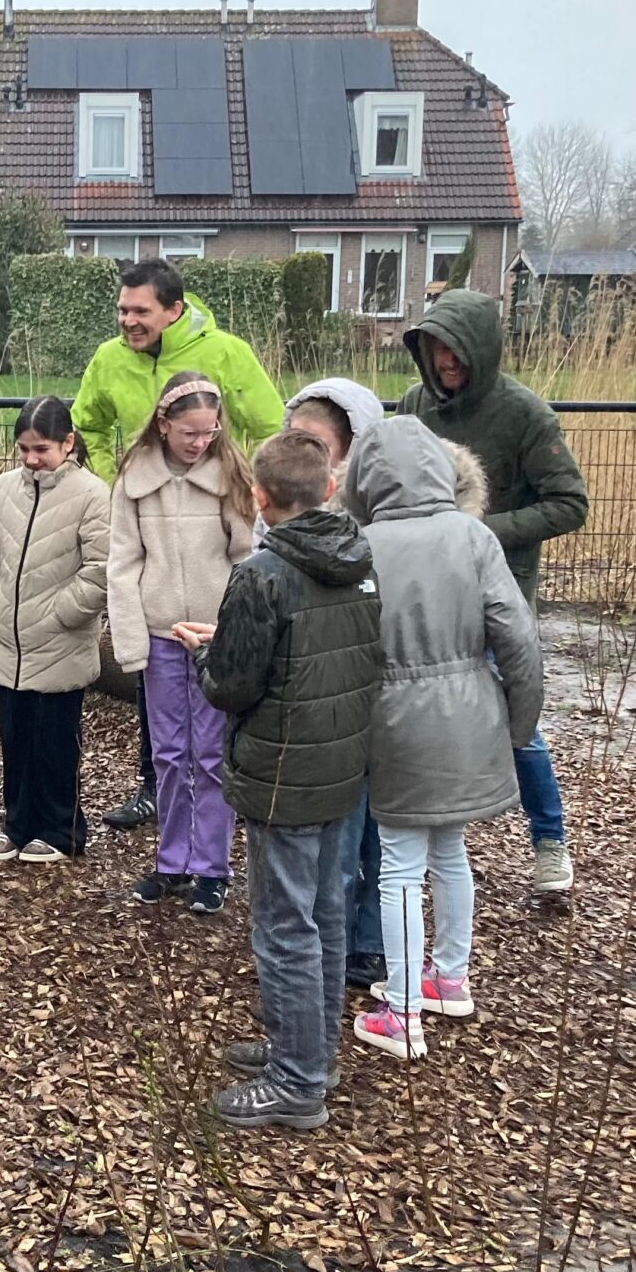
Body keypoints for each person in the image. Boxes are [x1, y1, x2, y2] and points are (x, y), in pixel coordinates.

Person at [178, 428, 382, 1129]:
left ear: (260, 499)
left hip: (281, 775)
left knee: (283, 925)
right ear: (328, 489)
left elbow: (232, 687)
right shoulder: (361, 562)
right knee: (324, 914)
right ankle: (308, 1053)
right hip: (340, 767)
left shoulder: (261, 575)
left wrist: (205, 658)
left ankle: (298, 1085)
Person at [337, 418, 542, 1060]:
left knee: (398, 866)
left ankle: (401, 1010)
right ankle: (449, 978)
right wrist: (518, 725)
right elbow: (519, 639)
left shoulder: (361, 544)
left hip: (395, 716)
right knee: (450, 850)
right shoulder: (474, 536)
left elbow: (347, 646)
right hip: (471, 711)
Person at [70, 258, 282, 833]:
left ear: (174, 310)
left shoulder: (226, 353)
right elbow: (84, 423)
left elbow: (270, 423)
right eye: (122, 309)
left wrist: (242, 486)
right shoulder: (110, 359)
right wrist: (118, 485)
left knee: (222, 682)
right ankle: (153, 791)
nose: (127, 320)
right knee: (157, 675)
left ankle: (223, 801)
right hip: (150, 525)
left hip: (215, 524)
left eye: (139, 311)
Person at [400, 289, 589, 896]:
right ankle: (422, 837)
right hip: (424, 589)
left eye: (456, 352)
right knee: (414, 708)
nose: (446, 364)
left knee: (518, 719)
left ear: (481, 351)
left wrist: (480, 532)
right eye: (436, 351)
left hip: (496, 586)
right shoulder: (411, 407)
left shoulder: (525, 415)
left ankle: (550, 841)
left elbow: (568, 504)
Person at [107, 372, 255, 914]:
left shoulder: (231, 475)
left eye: (209, 433)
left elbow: (245, 559)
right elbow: (123, 562)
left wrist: (238, 631)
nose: (199, 442)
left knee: (213, 753)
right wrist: (130, 639)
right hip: (161, 633)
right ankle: (171, 861)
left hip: (214, 636)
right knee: (169, 753)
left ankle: (212, 867)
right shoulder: (134, 480)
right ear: (164, 424)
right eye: (190, 432)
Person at [0, 395, 110, 863]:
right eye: (23, 448)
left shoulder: (92, 494)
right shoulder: (5, 488)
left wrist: (60, 615)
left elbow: (102, 569)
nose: (31, 459)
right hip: (9, 643)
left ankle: (62, 829)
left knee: (56, 744)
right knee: (15, 739)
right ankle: (18, 822)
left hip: (61, 644)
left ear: (68, 443)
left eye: (41, 448)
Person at [285, 378, 389, 992]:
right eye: (294, 439)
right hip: (317, 699)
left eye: (317, 444)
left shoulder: (373, 527)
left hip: (369, 694)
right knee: (337, 831)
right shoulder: (288, 517)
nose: (304, 454)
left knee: (375, 828)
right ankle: (333, 942)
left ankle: (365, 941)